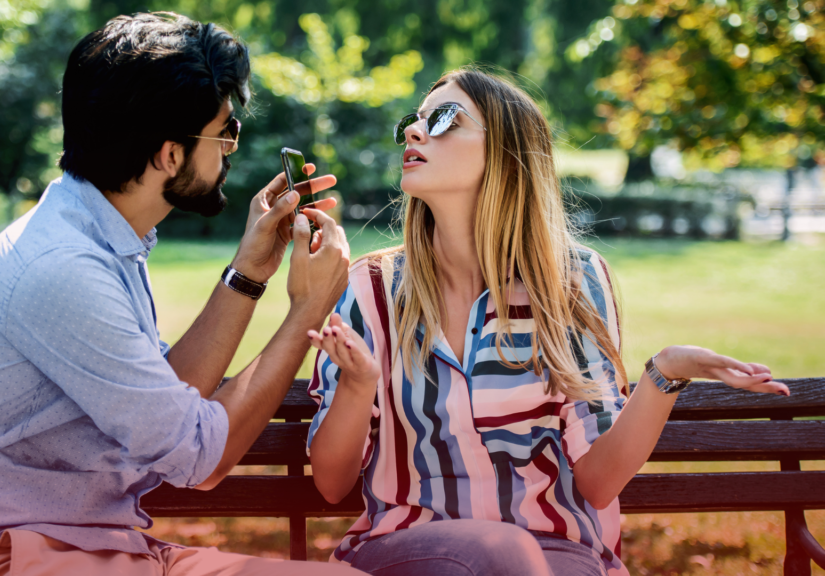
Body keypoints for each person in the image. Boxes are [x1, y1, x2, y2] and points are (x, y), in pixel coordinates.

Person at [0, 12, 365, 576]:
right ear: (169, 154)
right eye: (225, 131)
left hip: (99, 551)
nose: (230, 150)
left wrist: (250, 271)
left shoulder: (97, 235)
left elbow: (169, 401)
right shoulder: (61, 267)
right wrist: (309, 310)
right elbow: (199, 459)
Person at [304, 68, 790, 576]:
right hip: (409, 549)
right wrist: (358, 386)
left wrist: (665, 372)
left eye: (446, 119)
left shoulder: (571, 282)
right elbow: (332, 483)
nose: (414, 131)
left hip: (556, 553)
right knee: (492, 557)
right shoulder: (370, 288)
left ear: (506, 154)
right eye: (414, 120)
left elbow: (598, 483)